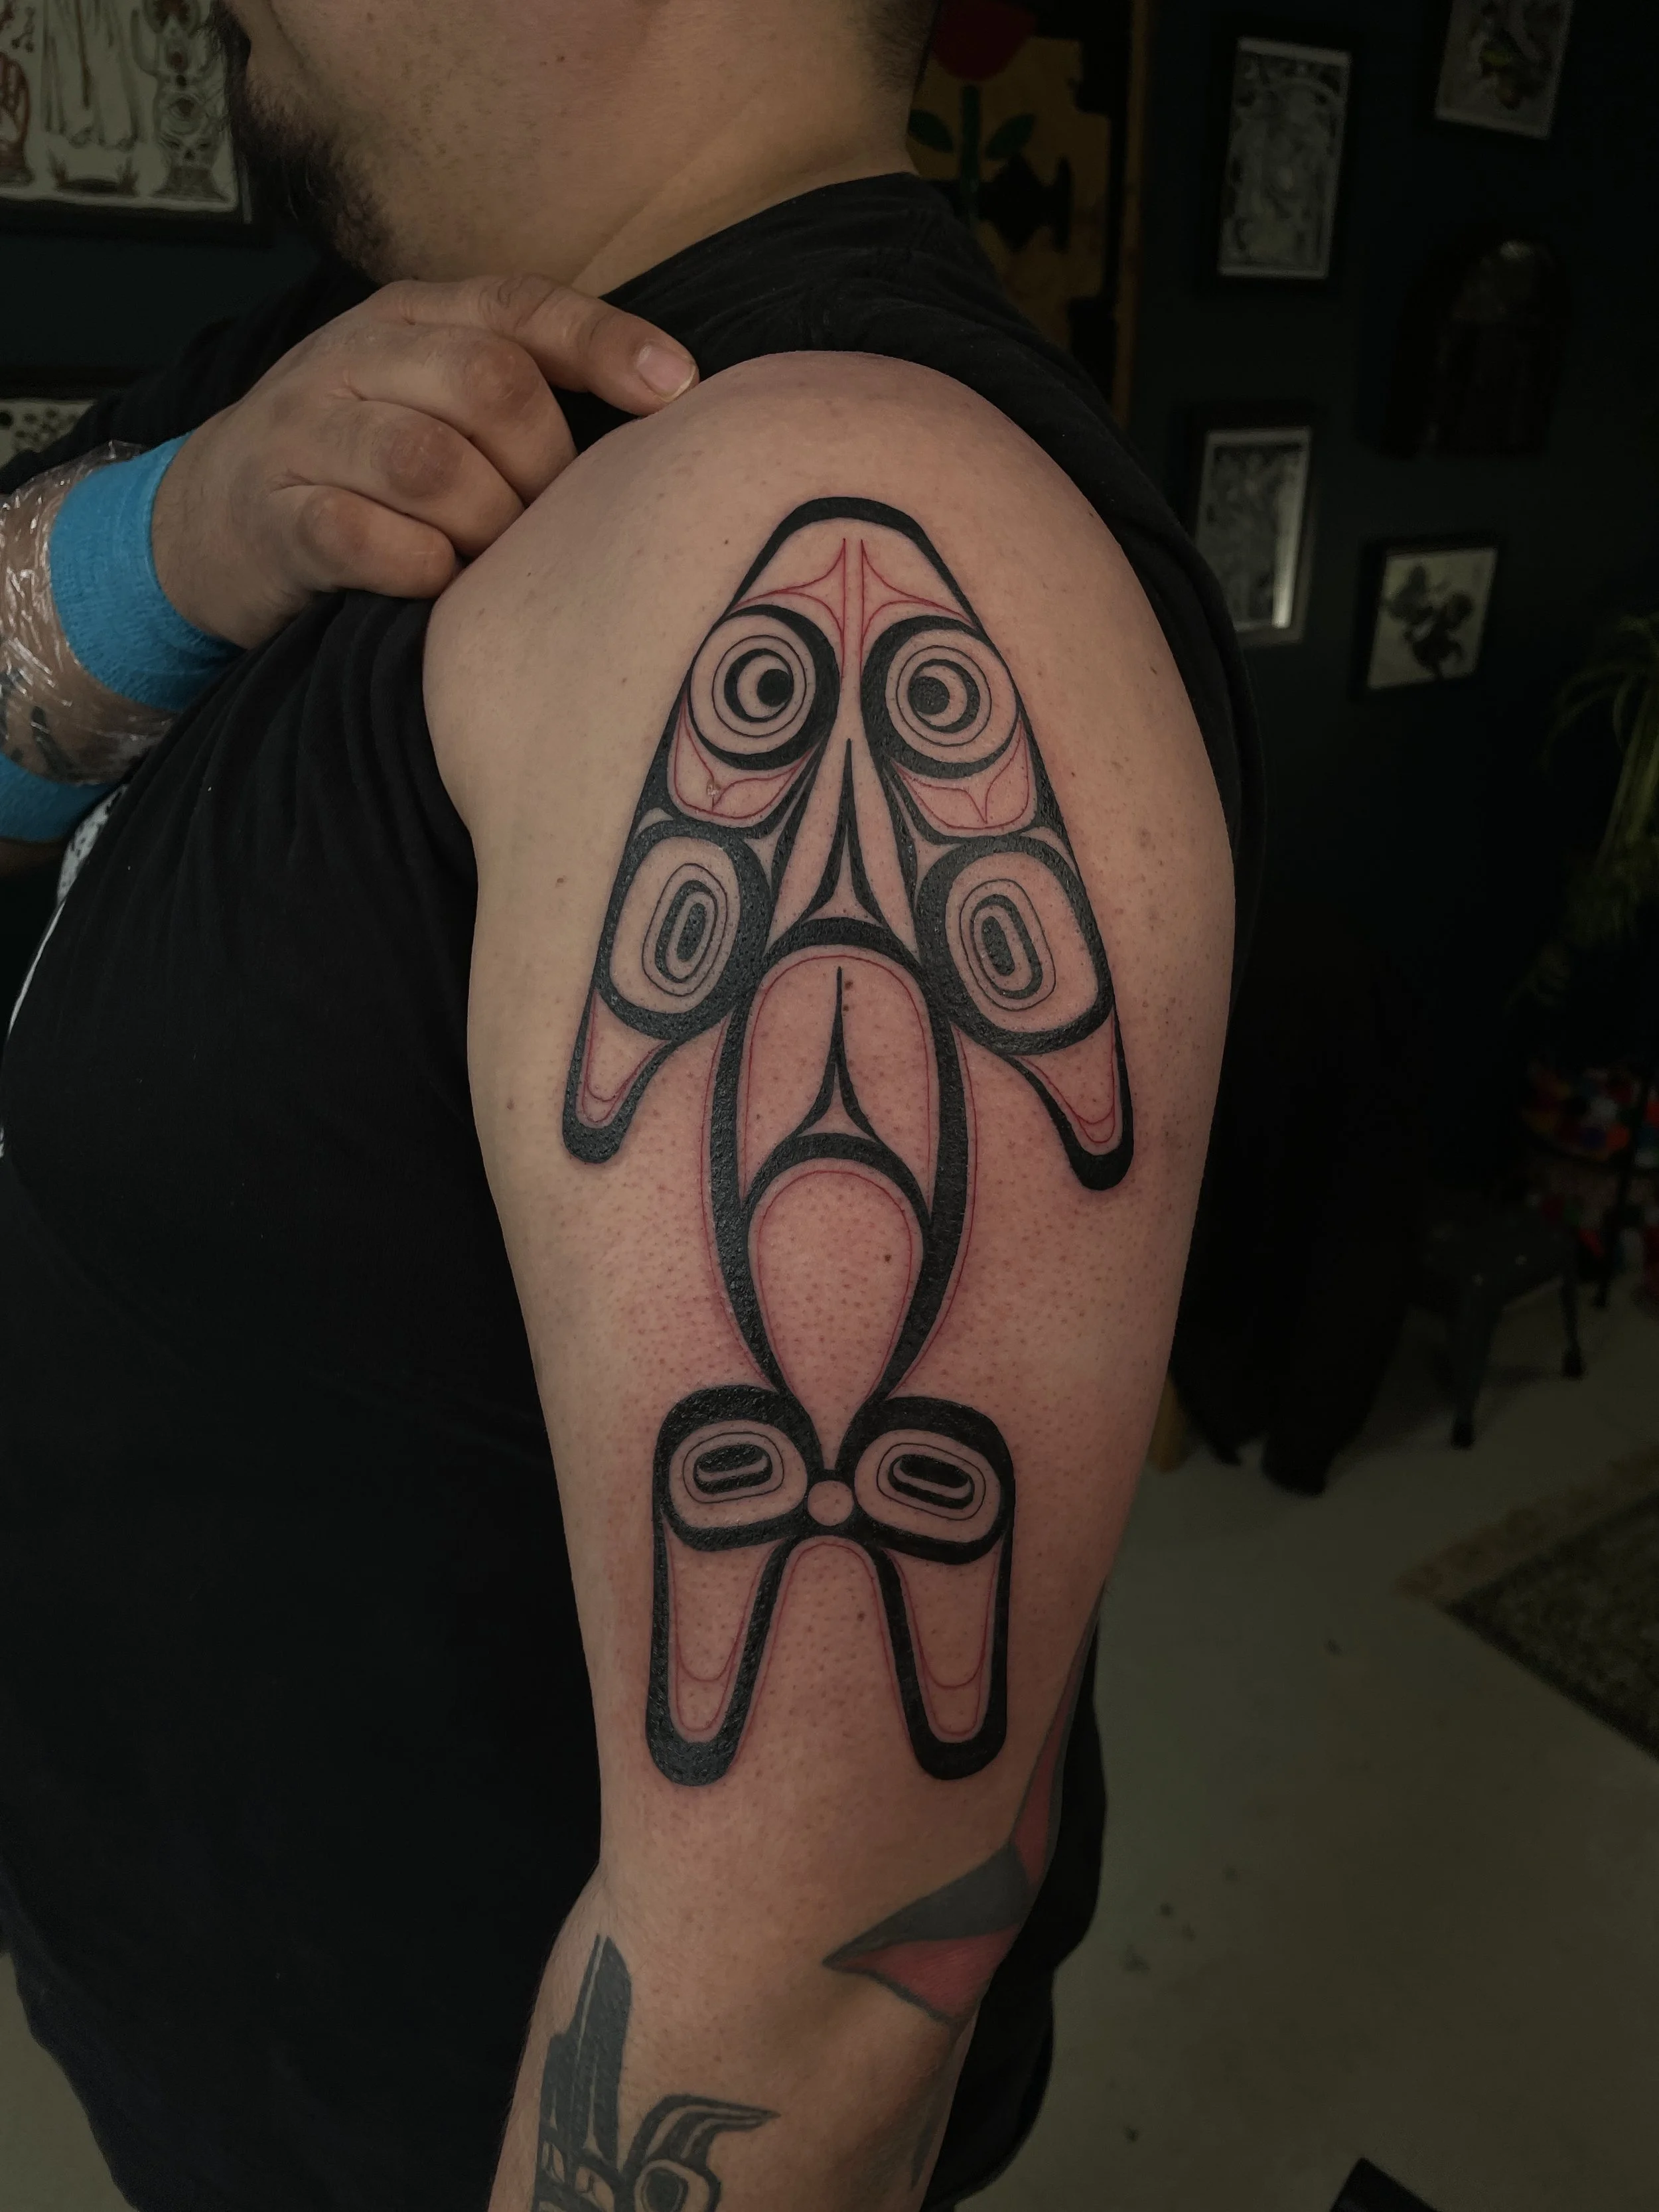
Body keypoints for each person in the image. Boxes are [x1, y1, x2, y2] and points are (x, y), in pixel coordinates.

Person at [0, 3, 1260, 2207]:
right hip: (198, 1995)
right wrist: (176, 538)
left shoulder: (817, 514)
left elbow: (794, 2009)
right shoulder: (322, 363)